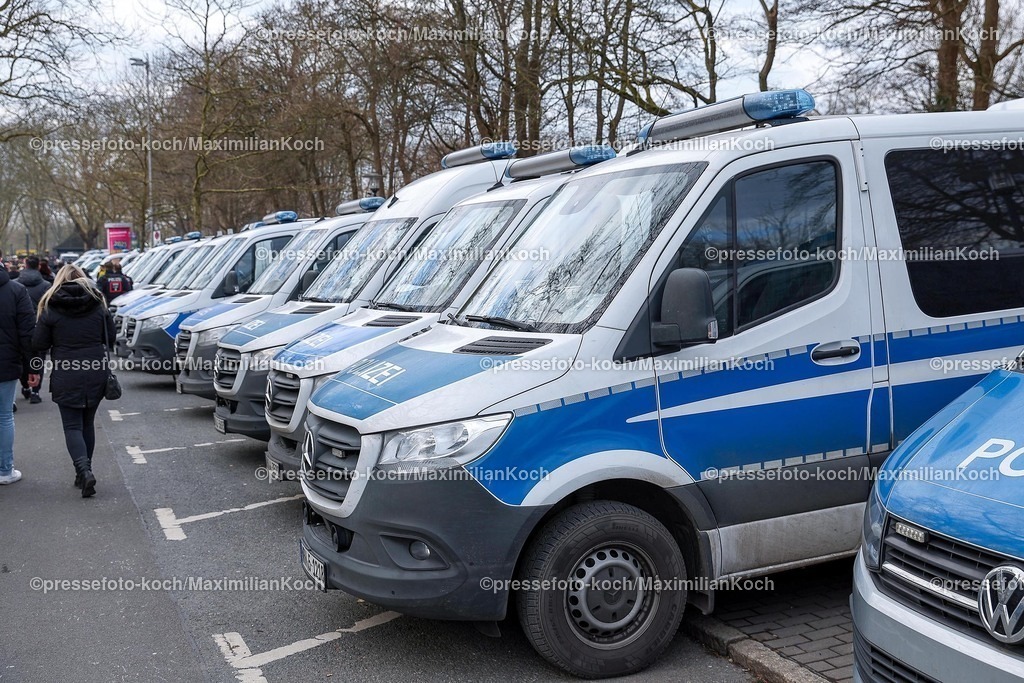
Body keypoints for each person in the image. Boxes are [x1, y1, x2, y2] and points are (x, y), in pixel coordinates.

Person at [33, 264, 115, 497]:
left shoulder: (49, 306)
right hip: (95, 368)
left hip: (66, 370)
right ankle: (84, 472)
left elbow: (38, 343)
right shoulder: (98, 304)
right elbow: (110, 337)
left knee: (72, 425)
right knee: (87, 423)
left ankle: (83, 471)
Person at [0, 250, 38, 485]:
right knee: (4, 416)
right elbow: (28, 334)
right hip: (6, 362)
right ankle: (5, 469)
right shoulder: (16, 291)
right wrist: (32, 367)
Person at [16, 257, 51, 404]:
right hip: (39, 326)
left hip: (19, 327)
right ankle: (36, 391)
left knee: (22, 358)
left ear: (24, 265)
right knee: (38, 359)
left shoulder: (15, 285)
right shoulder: (46, 285)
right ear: (38, 267)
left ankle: (25, 385)